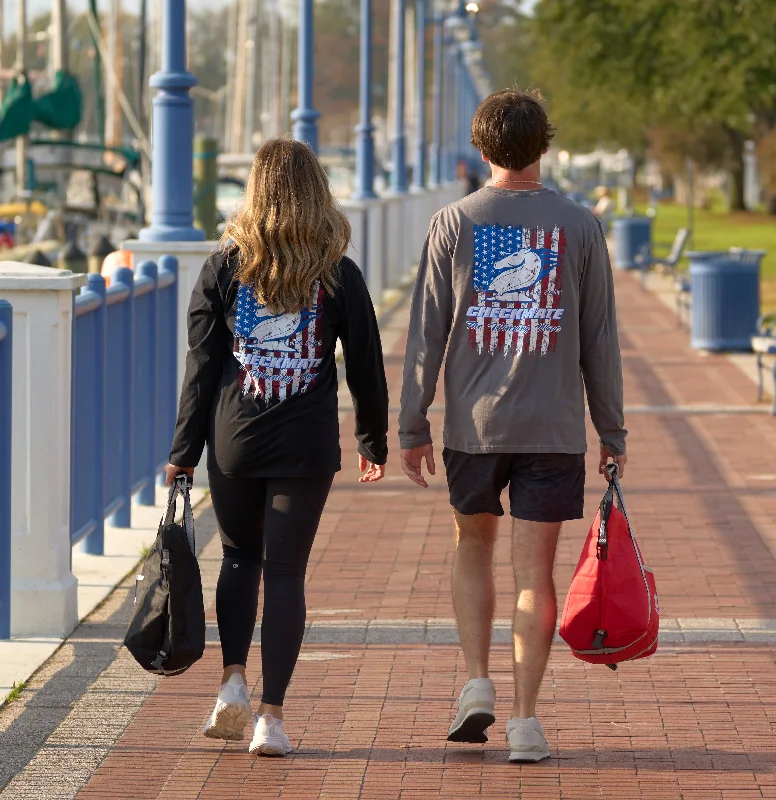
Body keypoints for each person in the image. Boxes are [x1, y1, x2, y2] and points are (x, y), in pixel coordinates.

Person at [398, 89, 627, 763]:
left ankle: (476, 681)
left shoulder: (453, 223)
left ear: (481, 148)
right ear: (543, 146)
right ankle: (526, 721)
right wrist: (612, 432)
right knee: (537, 573)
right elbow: (600, 341)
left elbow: (425, 332)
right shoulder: (580, 226)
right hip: (553, 427)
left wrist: (411, 422)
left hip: (475, 426)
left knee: (473, 545)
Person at [165, 138, 389, 757]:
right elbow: (366, 364)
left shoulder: (226, 266)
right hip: (306, 442)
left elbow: (202, 367)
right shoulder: (337, 272)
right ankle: (271, 718)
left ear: (255, 192)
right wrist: (373, 439)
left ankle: (232, 683)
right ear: (318, 192)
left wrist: (183, 450)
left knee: (239, 558)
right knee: (286, 571)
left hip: (234, 437)